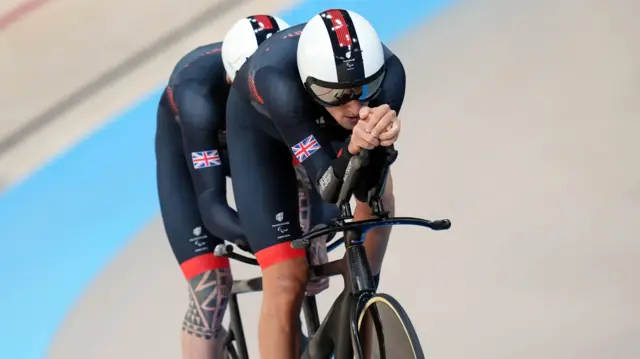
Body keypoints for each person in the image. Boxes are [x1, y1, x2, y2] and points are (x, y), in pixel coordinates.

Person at [225, 8, 405, 359]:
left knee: (381, 196)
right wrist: (354, 146)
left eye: (365, 89)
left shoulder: (392, 76)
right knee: (286, 279)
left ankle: (364, 293)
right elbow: (328, 186)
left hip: (319, 118)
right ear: (310, 83)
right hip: (260, 135)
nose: (354, 106)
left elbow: (368, 182)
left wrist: (382, 144)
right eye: (338, 94)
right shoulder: (279, 83)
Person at [154, 14, 292, 359]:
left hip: (253, 151)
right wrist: (258, 237)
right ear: (232, 80)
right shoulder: (198, 99)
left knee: (299, 267)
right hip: (192, 167)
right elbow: (211, 204)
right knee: (211, 293)